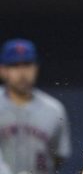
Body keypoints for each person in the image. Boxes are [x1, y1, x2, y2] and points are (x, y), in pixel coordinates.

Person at [0, 38, 71, 174]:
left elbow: (59, 157)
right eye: (15, 65)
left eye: (27, 65)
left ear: (36, 68)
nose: (22, 73)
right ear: (3, 70)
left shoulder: (54, 109)